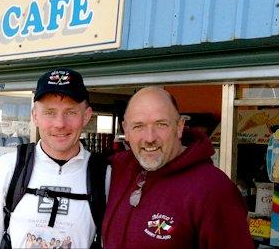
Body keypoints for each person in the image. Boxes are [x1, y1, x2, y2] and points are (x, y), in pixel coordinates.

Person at [102, 86, 253, 248]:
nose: (149, 137)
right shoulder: (118, 170)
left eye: (161, 124)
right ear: (126, 130)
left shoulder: (213, 189)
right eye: (138, 126)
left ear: (180, 127)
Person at [0, 68, 106, 248]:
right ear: (35, 116)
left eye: (70, 112)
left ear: (86, 116)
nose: (60, 123)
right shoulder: (9, 167)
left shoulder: (104, 175)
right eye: (50, 112)